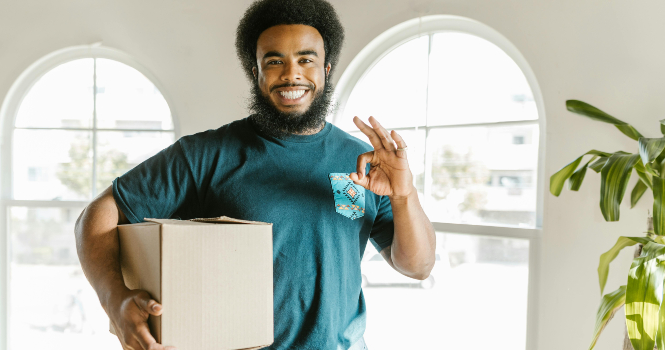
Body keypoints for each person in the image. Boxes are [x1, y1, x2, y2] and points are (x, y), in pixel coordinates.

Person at [74, 0, 436, 349]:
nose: (291, 73)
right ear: (256, 72)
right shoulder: (205, 155)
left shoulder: (363, 161)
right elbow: (97, 215)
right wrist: (114, 300)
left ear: (325, 70)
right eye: (274, 61)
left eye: (306, 60)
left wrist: (404, 197)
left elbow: (417, 267)